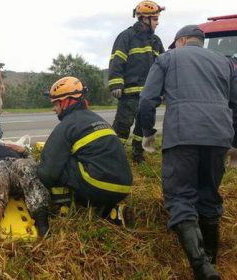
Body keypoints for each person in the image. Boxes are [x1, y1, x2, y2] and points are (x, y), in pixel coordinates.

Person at [139, 25, 237, 280]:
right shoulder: (225, 63)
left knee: (181, 198)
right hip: (218, 137)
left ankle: (202, 269)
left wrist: (147, 133)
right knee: (209, 195)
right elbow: (235, 104)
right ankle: (212, 261)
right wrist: (234, 143)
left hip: (183, 135)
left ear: (181, 41)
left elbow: (147, 100)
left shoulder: (168, 57)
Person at [37, 76, 134, 227]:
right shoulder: (98, 119)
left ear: (65, 102)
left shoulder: (67, 125)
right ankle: (111, 212)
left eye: (55, 103)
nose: (53, 109)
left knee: (56, 165)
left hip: (98, 186)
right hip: (124, 187)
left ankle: (65, 209)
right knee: (81, 161)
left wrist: (35, 166)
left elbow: (47, 173)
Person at [108, 0, 165, 163]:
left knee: (143, 126)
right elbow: (116, 60)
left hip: (149, 95)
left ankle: (138, 154)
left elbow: (163, 66)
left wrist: (163, 90)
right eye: (155, 19)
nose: (158, 23)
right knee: (122, 125)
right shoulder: (126, 37)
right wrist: (116, 84)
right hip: (130, 93)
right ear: (144, 19)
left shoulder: (156, 41)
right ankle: (114, 156)